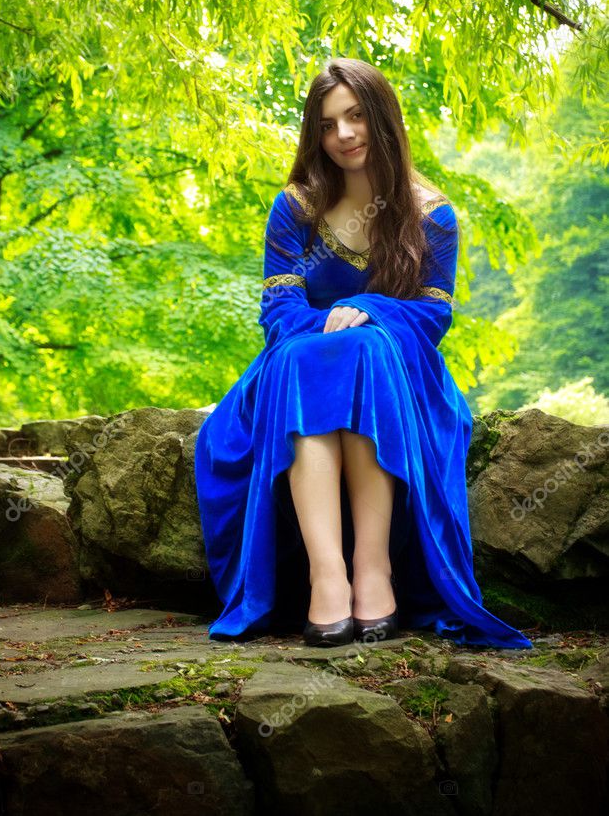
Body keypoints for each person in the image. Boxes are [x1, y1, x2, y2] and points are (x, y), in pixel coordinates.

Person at [194, 57, 533, 650]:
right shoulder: (294, 209)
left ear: (383, 119)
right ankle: (329, 576)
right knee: (313, 356)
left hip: (397, 369)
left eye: (355, 117)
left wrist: (371, 311)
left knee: (368, 348)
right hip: (296, 365)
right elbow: (277, 315)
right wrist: (328, 322)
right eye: (327, 124)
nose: (343, 134)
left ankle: (373, 567)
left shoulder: (433, 215)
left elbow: (433, 316)